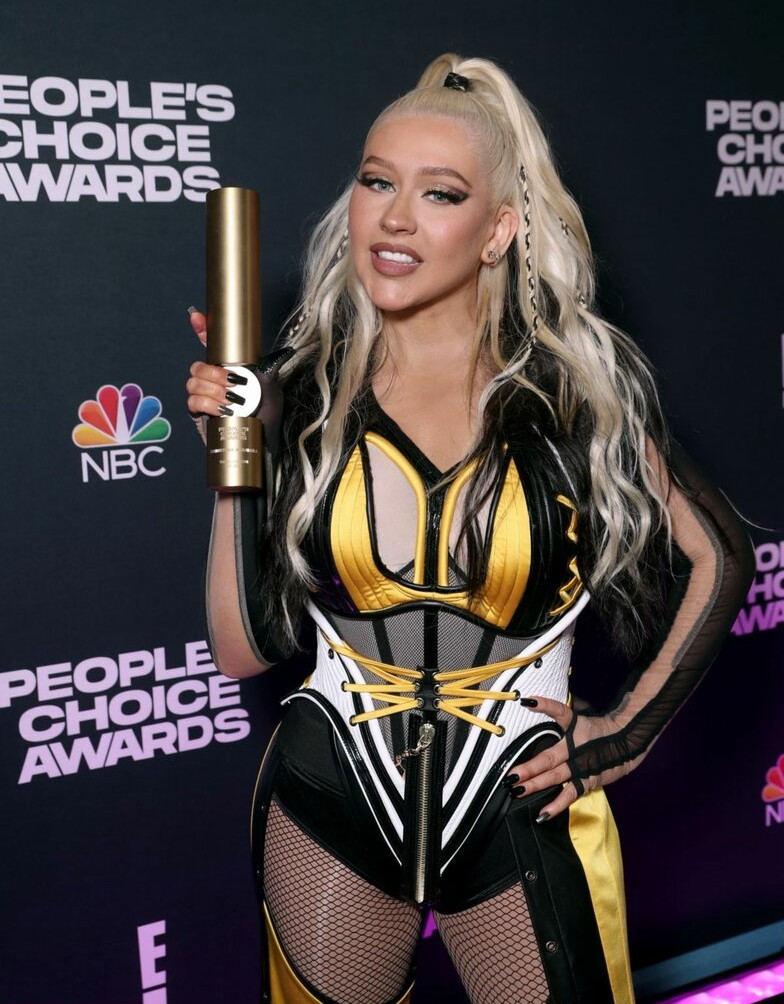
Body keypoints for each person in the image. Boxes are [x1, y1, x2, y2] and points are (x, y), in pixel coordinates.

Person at [186, 53, 755, 1004]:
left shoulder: (578, 392)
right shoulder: (306, 392)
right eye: (377, 182)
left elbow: (722, 554)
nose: (395, 218)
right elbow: (242, 652)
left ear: (498, 231)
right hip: (330, 802)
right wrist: (234, 458)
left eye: (439, 194)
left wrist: (623, 736)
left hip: (519, 808)